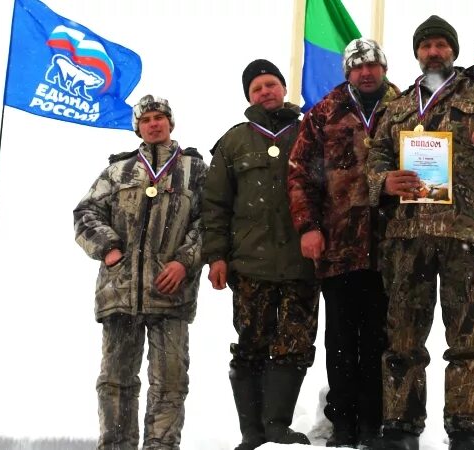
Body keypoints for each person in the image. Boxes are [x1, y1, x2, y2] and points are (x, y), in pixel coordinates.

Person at [367, 16, 474, 450]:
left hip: (468, 235)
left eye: (441, 45)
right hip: (408, 236)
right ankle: (400, 427)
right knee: (402, 336)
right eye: (427, 45)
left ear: (452, 51)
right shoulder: (399, 106)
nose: (434, 52)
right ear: (417, 53)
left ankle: (464, 428)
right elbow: (374, 158)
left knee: (467, 336)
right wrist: (383, 182)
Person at [73, 95, 208, 450]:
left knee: (170, 384)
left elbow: (211, 221)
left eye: (160, 116)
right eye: (146, 119)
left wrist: (184, 261)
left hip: (171, 293)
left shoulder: (195, 169)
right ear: (138, 127)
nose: (153, 123)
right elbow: (85, 213)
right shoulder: (118, 171)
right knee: (116, 382)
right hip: (120, 293)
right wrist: (109, 249)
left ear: (170, 122)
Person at [201, 59, 320, 449]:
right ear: (248, 97)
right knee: (251, 345)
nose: (265, 92)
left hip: (301, 266)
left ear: (283, 89)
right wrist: (216, 256)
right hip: (249, 266)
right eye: (256, 88)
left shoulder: (308, 134)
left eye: (271, 84)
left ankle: (276, 426)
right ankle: (251, 433)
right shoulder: (234, 142)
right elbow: (215, 205)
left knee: (295, 345)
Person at [287, 38, 399, 448]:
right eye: (358, 67)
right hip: (338, 247)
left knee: (380, 339)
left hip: (392, 247)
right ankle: (343, 423)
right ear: (347, 72)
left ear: (383, 69)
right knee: (340, 339)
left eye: (372, 65)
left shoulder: (406, 108)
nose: (366, 72)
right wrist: (308, 226)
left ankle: (375, 422)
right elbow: (300, 174)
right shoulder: (323, 113)